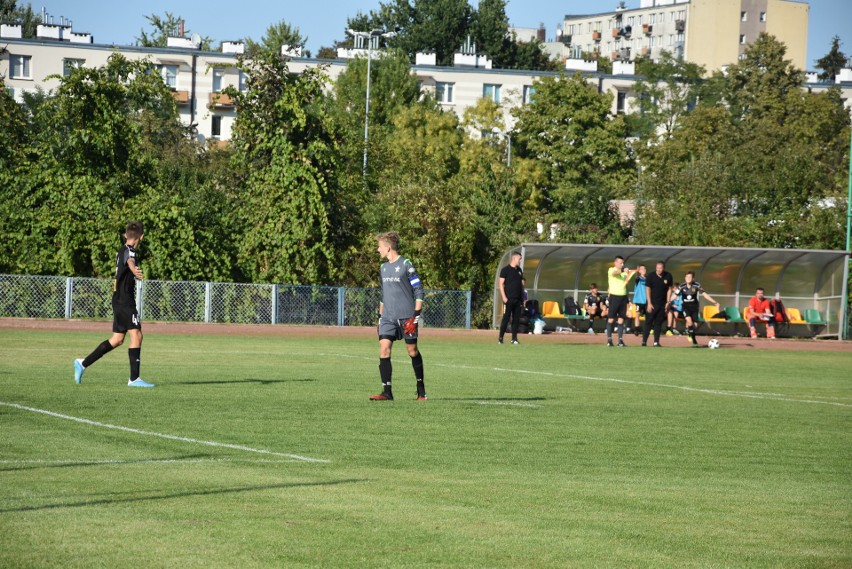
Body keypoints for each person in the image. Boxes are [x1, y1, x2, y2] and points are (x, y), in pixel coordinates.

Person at [73, 221, 154, 387]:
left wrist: (132, 269)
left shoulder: (122, 250)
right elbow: (130, 261)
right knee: (137, 335)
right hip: (125, 300)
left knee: (117, 339)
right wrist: (134, 269)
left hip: (118, 299)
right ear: (142, 236)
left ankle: (82, 363)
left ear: (126, 235)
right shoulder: (130, 251)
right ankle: (134, 379)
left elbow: (127, 260)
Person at [370, 232, 427, 401]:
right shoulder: (383, 267)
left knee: (412, 351)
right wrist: (380, 317)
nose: (378, 249)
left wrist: (416, 315)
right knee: (384, 348)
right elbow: (383, 294)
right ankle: (387, 392)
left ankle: (421, 388)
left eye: (379, 246)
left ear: (388, 247)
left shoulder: (406, 264)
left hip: (407, 317)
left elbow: (419, 290)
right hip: (388, 316)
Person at [672, 271, 720, 347]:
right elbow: (675, 295)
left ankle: (690, 332)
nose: (688, 278)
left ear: (693, 278)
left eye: (690, 277)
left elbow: (705, 295)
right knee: (689, 322)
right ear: (685, 278)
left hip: (694, 308)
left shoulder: (697, 285)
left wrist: (715, 302)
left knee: (694, 326)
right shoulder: (681, 286)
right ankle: (694, 340)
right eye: (687, 277)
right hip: (686, 308)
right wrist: (668, 301)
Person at [605, 256, 637, 347]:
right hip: (614, 297)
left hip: (623, 297)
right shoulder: (611, 270)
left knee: (621, 319)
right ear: (616, 263)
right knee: (611, 318)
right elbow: (615, 273)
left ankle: (620, 340)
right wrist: (623, 270)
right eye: (621, 263)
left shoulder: (624, 274)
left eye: (623, 263)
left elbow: (625, 285)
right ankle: (609, 340)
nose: (622, 264)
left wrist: (628, 298)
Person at [642, 261, 674, 347]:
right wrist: (649, 303)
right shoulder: (650, 276)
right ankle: (644, 341)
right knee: (648, 322)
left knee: (658, 323)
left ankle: (656, 342)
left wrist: (668, 302)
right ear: (656, 267)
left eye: (661, 268)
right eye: (657, 268)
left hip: (662, 304)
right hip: (652, 304)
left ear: (663, 268)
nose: (659, 270)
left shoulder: (668, 276)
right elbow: (647, 289)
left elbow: (669, 289)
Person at [498, 251, 525, 345]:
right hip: (508, 299)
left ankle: (514, 339)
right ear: (514, 258)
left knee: (516, 319)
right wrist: (504, 297)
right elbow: (501, 284)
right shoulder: (505, 270)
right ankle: (500, 338)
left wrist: (523, 298)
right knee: (506, 318)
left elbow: (521, 285)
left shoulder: (519, 270)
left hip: (518, 299)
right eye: (519, 259)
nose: (520, 261)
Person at [630, 265, 647, 335]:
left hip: (646, 301)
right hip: (639, 301)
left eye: (645, 268)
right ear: (639, 271)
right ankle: (636, 329)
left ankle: (648, 329)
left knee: (648, 316)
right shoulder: (638, 279)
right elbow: (636, 278)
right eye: (642, 269)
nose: (644, 270)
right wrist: (636, 272)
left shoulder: (648, 279)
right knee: (637, 314)